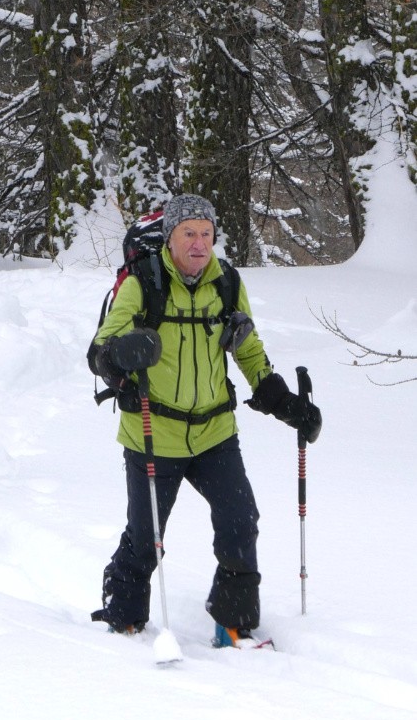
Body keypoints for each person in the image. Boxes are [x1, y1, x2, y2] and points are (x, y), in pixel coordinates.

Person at [90, 193, 322, 644]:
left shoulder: (227, 284)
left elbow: (248, 350)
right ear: (171, 239)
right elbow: (100, 349)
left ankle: (233, 620)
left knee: (240, 521)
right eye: (188, 233)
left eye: (206, 234)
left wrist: (287, 405)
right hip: (154, 431)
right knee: (146, 539)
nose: (199, 244)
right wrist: (121, 356)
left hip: (215, 432)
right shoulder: (142, 284)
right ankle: (124, 615)